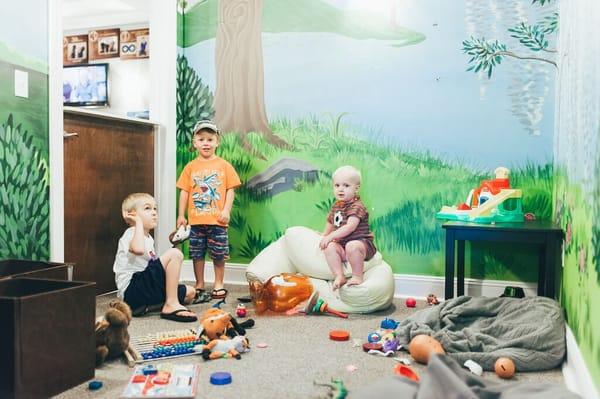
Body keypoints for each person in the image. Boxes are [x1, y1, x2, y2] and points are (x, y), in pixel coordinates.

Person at [176, 120, 241, 303]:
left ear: (217, 142)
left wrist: (226, 210)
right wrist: (181, 215)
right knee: (197, 253)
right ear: (194, 142)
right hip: (196, 221)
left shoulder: (224, 165)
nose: (206, 143)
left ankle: (219, 283)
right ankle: (199, 284)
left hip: (218, 221)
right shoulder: (190, 167)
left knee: (219, 253)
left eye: (210, 139)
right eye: (201, 139)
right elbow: (184, 191)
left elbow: (230, 189)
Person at [113, 193, 198, 322]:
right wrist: (138, 223)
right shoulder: (131, 233)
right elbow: (138, 249)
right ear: (131, 214)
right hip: (132, 290)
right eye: (147, 208)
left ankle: (147, 307)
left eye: (155, 208)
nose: (154, 212)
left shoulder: (149, 238)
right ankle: (171, 304)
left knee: (190, 292)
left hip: (144, 288)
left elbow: (154, 268)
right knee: (174, 254)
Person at [319, 165, 376, 289]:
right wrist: (324, 235)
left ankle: (357, 276)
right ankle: (339, 275)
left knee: (352, 246)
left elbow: (350, 227)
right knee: (329, 247)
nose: (341, 189)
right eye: (337, 185)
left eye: (346, 186)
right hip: (343, 246)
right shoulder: (336, 205)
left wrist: (331, 236)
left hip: (362, 245)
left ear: (356, 188)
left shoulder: (356, 206)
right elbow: (330, 221)